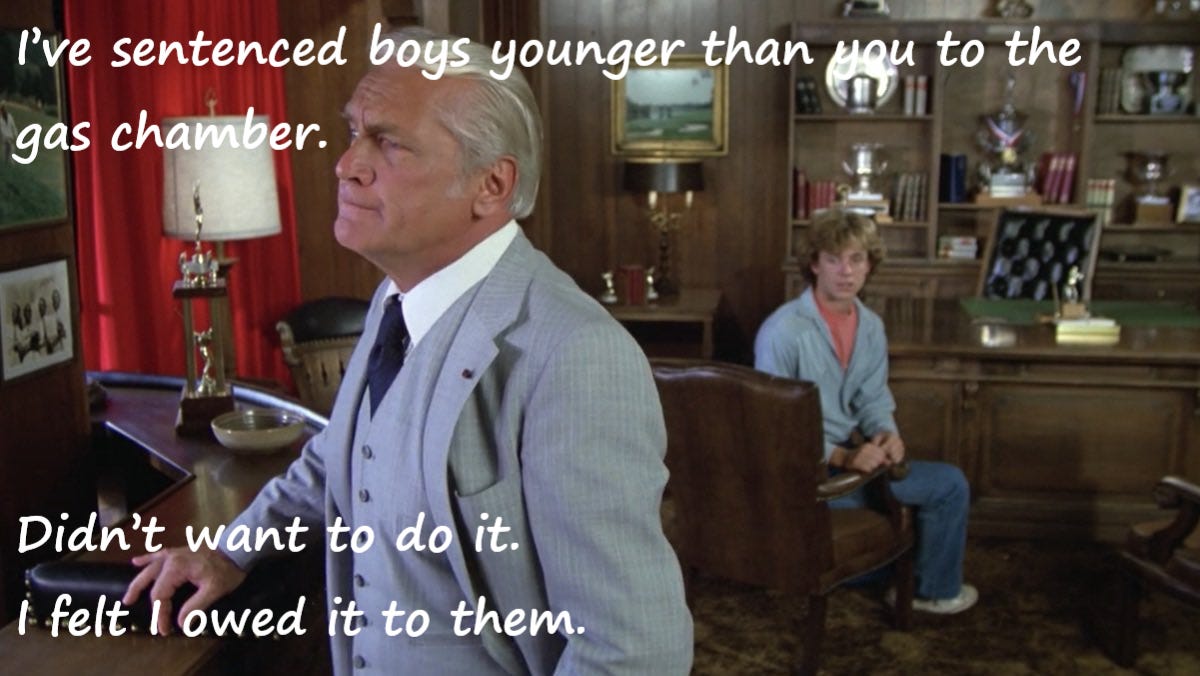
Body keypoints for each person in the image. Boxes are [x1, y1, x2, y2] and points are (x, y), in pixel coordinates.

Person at [125, 27, 692, 674]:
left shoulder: (575, 357)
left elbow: (632, 651)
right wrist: (231, 551)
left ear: (491, 184)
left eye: (389, 143)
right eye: (353, 133)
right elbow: (344, 454)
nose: (346, 164)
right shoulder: (396, 298)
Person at [754, 208, 977, 615]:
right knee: (886, 537)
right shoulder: (783, 330)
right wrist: (842, 456)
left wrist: (885, 434)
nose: (846, 271)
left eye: (856, 259)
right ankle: (903, 577)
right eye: (834, 259)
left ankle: (930, 591)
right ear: (815, 264)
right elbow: (773, 428)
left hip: (854, 462)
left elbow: (873, 397)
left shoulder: (870, 325)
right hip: (802, 472)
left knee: (949, 485)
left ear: (869, 265)